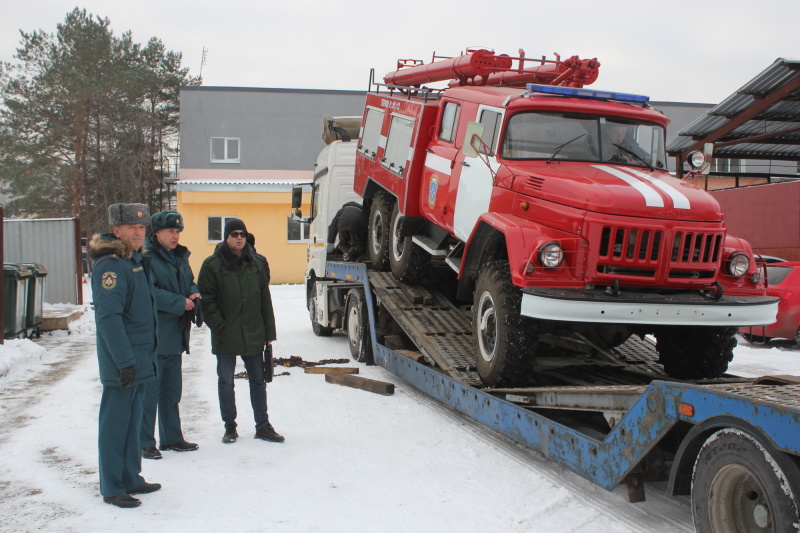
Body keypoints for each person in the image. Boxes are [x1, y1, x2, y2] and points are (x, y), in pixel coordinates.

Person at [89, 203, 161, 508]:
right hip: (124, 362)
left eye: (142, 227)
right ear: (116, 230)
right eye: (132, 227)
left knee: (133, 424)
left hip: (140, 358)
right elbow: (109, 319)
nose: (138, 232)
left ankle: (131, 477)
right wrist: (124, 362)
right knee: (115, 424)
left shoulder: (133, 261)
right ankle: (112, 486)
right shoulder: (110, 266)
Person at [197, 218, 284, 444]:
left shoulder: (255, 263)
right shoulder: (212, 265)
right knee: (226, 381)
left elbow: (265, 299)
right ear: (226, 237)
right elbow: (208, 301)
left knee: (258, 380)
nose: (239, 238)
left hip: (253, 332)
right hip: (226, 334)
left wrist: (268, 333)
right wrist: (219, 326)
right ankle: (230, 426)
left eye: (242, 234)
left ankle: (262, 425)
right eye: (234, 234)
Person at [140, 210, 200, 460]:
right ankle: (144, 442)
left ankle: (172, 437)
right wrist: (179, 302)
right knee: (150, 393)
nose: (175, 236)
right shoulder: (147, 259)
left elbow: (189, 281)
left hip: (176, 335)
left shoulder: (180, 257)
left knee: (172, 391)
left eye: (178, 231)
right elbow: (148, 292)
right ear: (157, 234)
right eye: (170, 231)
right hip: (156, 335)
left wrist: (194, 293)